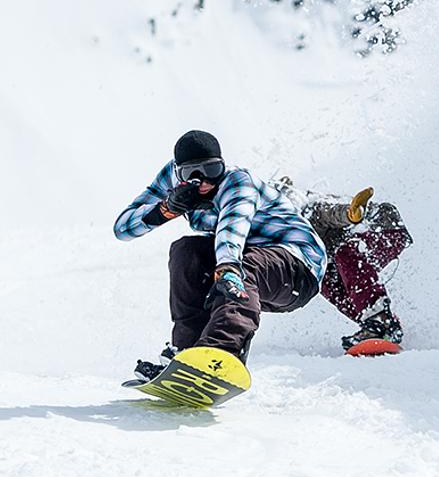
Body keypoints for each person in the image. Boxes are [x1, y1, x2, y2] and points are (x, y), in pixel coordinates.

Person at [113, 130, 326, 386]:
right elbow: (122, 228)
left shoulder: (237, 182)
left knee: (243, 265)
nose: (203, 181)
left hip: (297, 268)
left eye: (212, 170)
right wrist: (166, 209)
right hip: (248, 269)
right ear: (179, 173)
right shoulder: (171, 177)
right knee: (186, 251)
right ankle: (187, 353)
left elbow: (232, 231)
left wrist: (227, 267)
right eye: (191, 173)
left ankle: (221, 352)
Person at [286, 183, 412, 356]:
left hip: (384, 227)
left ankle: (379, 319)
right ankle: (380, 323)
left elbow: (332, 212)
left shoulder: (309, 211)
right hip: (347, 250)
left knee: (345, 252)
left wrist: (351, 214)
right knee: (322, 279)